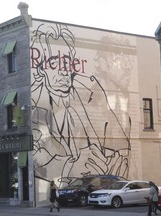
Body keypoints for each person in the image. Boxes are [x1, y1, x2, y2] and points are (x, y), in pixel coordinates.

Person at [30, 23, 131, 185]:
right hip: (67, 186)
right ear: (41, 69)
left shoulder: (90, 96)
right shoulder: (34, 105)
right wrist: (70, 166)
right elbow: (37, 160)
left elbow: (118, 142)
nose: (63, 71)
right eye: (55, 63)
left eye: (67, 63)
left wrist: (113, 160)